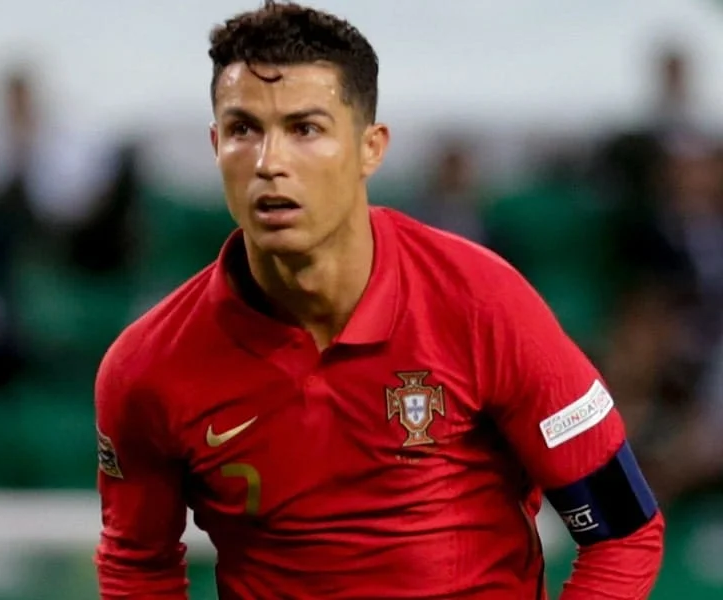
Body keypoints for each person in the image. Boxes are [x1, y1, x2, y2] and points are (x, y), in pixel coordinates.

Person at [94, 2, 664, 598]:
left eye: (305, 129)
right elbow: (138, 567)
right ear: (215, 145)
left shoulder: (482, 303)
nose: (269, 163)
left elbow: (623, 532)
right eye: (243, 129)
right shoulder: (145, 369)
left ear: (371, 147)